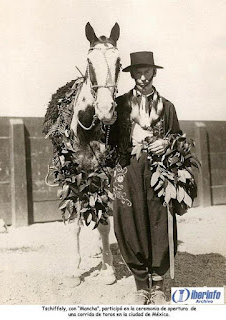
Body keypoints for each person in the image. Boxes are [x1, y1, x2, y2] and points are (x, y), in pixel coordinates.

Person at [109, 51, 182, 305]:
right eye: (137, 72)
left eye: (147, 71)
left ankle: (159, 285)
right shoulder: (119, 105)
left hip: (158, 173)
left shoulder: (168, 107)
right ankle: (141, 285)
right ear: (131, 74)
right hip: (128, 171)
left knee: (159, 223)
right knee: (129, 224)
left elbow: (178, 140)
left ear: (154, 72)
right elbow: (107, 140)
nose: (142, 77)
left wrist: (166, 142)